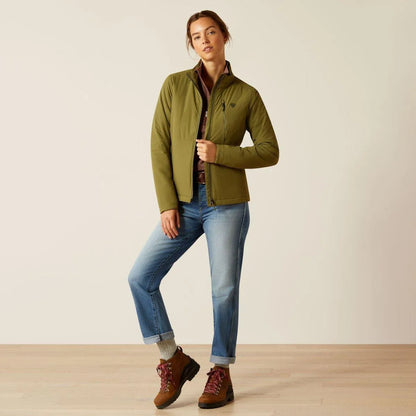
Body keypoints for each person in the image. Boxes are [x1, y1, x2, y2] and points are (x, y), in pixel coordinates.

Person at [128, 10, 279, 410]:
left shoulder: (246, 95)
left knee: (223, 289)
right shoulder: (174, 85)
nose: (205, 40)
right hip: (183, 203)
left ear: (224, 35)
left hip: (226, 206)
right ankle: (172, 358)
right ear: (191, 44)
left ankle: (221, 372)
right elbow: (159, 145)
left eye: (211, 32)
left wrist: (220, 153)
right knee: (141, 277)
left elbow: (269, 151)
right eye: (197, 36)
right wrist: (167, 204)